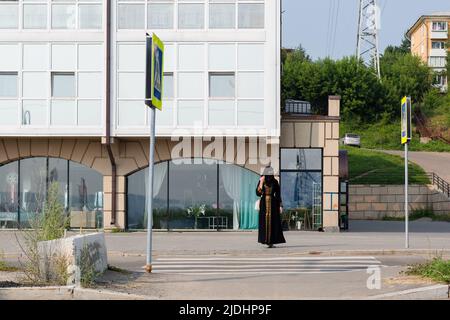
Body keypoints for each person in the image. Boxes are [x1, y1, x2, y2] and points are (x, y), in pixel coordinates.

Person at [256, 166, 286, 248]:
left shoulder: (275, 182)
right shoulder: (262, 180)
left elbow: (278, 194)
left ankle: (271, 241)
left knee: (273, 222)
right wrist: (261, 182)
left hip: (273, 203)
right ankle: (265, 240)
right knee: (264, 222)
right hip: (264, 204)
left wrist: (280, 205)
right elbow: (258, 193)